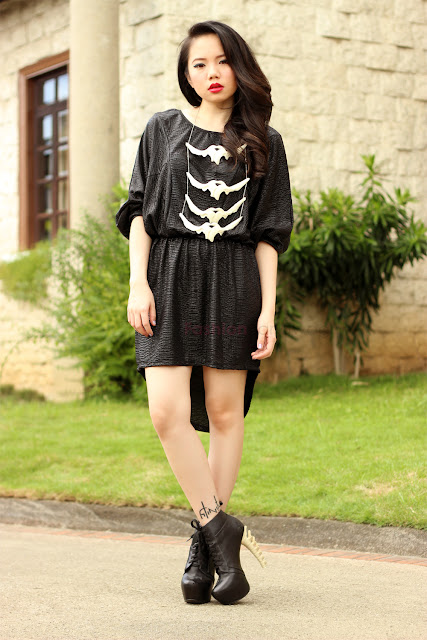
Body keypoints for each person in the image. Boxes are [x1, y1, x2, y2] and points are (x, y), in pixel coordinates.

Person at [116, 20, 294, 605]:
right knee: (166, 412)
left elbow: (268, 234)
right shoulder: (162, 129)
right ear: (186, 74)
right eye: (199, 64)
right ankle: (222, 529)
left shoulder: (264, 141)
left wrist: (268, 309)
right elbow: (139, 213)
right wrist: (138, 284)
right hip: (167, 275)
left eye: (221, 61)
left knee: (223, 412)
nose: (212, 73)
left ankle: (205, 549)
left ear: (238, 67)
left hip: (234, 278)